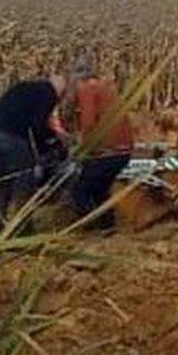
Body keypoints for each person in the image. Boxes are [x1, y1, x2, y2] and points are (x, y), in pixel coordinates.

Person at [0, 73, 68, 240]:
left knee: (1, 187)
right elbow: (38, 126)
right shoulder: (48, 93)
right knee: (24, 184)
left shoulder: (26, 88)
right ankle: (22, 232)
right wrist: (50, 148)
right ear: (60, 91)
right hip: (12, 139)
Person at [63, 60, 135, 229]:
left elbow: (88, 122)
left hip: (107, 152)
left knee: (80, 192)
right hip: (123, 150)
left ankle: (91, 227)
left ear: (76, 79)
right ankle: (107, 226)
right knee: (100, 191)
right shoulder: (107, 88)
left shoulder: (87, 89)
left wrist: (82, 148)